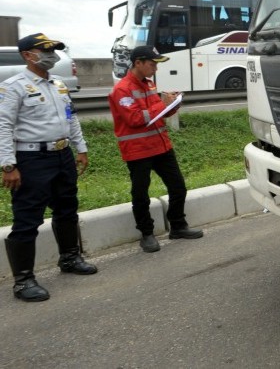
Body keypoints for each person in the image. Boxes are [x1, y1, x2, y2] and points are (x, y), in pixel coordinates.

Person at [0, 33, 97, 302]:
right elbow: (3, 127)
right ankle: (23, 281)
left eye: (54, 50)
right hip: (31, 160)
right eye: (45, 51)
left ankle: (69, 258)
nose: (52, 55)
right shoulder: (13, 87)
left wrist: (81, 148)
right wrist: (8, 165)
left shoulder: (58, 84)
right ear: (27, 55)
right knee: (27, 217)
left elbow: (71, 117)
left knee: (67, 208)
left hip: (62, 154)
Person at [108, 45, 203, 253]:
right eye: (152, 64)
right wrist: (162, 104)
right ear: (138, 63)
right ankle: (146, 233)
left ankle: (177, 226)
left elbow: (157, 115)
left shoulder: (149, 84)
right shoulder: (122, 89)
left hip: (161, 146)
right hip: (138, 150)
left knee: (178, 187)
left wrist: (172, 105)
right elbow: (134, 119)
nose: (155, 69)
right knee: (141, 193)